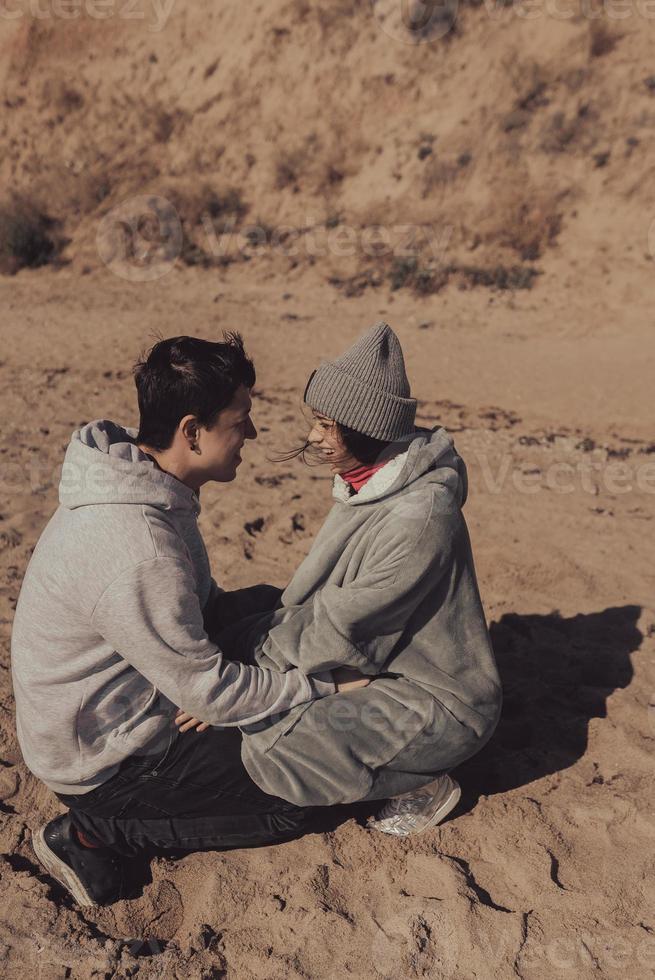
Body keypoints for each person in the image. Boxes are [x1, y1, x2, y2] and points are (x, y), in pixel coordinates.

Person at [11, 333, 368, 907]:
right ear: (193, 431)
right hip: (108, 761)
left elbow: (202, 613)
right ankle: (93, 833)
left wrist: (302, 611)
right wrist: (320, 686)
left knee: (274, 607)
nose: (250, 434)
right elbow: (213, 695)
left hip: (125, 702)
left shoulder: (145, 484)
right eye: (240, 420)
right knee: (303, 795)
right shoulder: (139, 546)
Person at [178, 322, 503, 836]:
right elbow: (323, 610)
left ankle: (418, 783)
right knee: (238, 630)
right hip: (377, 665)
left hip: (430, 702)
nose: (314, 437)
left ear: (368, 429)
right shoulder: (371, 479)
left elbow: (341, 627)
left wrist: (240, 682)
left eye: (328, 426)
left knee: (277, 743)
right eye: (318, 422)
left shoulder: (419, 518)